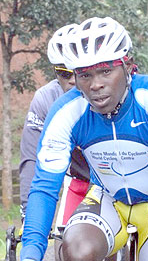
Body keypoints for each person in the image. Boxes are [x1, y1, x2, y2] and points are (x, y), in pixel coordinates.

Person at [20, 16, 148, 261]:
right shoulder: (67, 111)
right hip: (109, 200)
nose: (96, 85)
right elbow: (44, 188)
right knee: (77, 250)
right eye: (85, 75)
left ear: (128, 66)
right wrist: (29, 254)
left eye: (105, 71)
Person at [19, 23, 91, 260]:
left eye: (78, 71)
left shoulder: (107, 94)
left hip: (118, 185)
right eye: (63, 73)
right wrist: (29, 212)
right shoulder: (45, 99)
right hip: (78, 182)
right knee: (65, 249)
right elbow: (32, 159)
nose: (71, 80)